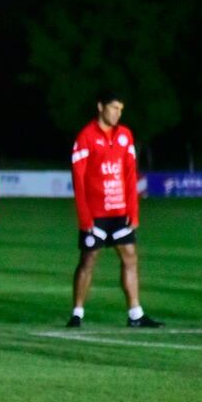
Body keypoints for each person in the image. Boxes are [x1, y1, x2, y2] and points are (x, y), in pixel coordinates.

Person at [67, 91, 163, 328]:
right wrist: (84, 215)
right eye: (113, 108)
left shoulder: (125, 135)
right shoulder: (86, 137)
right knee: (88, 260)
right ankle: (77, 313)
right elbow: (78, 179)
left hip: (120, 212)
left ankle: (135, 314)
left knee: (130, 257)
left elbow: (130, 174)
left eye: (121, 109)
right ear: (100, 107)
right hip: (96, 214)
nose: (118, 113)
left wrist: (134, 209)